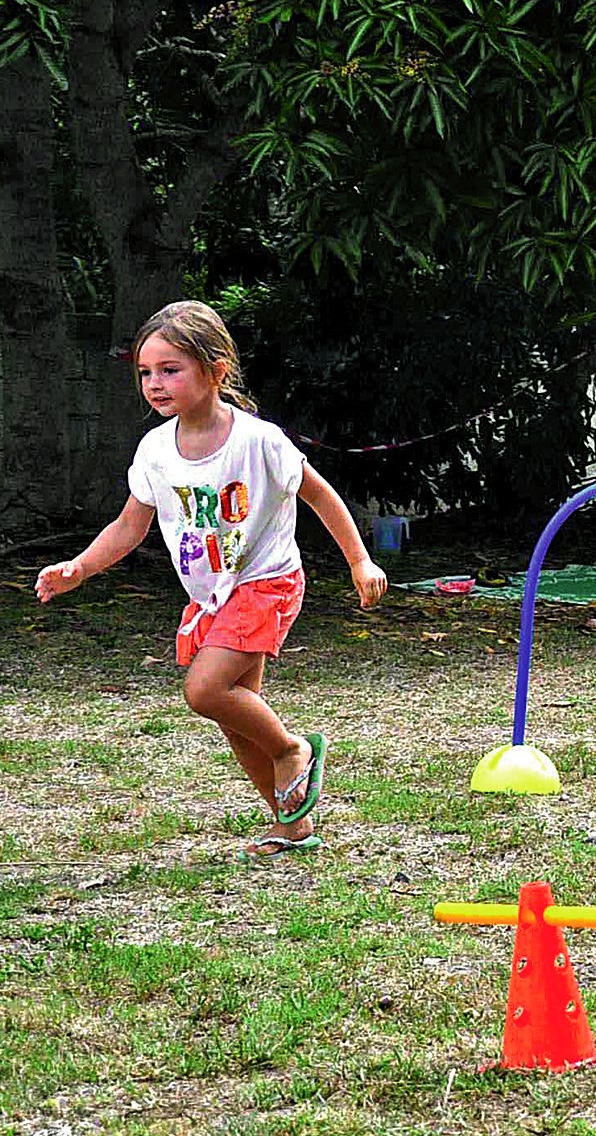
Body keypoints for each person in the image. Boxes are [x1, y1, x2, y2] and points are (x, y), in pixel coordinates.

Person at [33, 300, 386, 859]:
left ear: (216, 369)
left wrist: (359, 560)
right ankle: (290, 822)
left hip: (266, 581)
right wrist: (80, 567)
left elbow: (318, 492)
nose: (155, 383)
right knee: (237, 714)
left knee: (206, 690)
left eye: (170, 369)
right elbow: (130, 524)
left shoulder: (257, 440)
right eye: (146, 372)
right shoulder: (155, 451)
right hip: (211, 595)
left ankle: (295, 749)